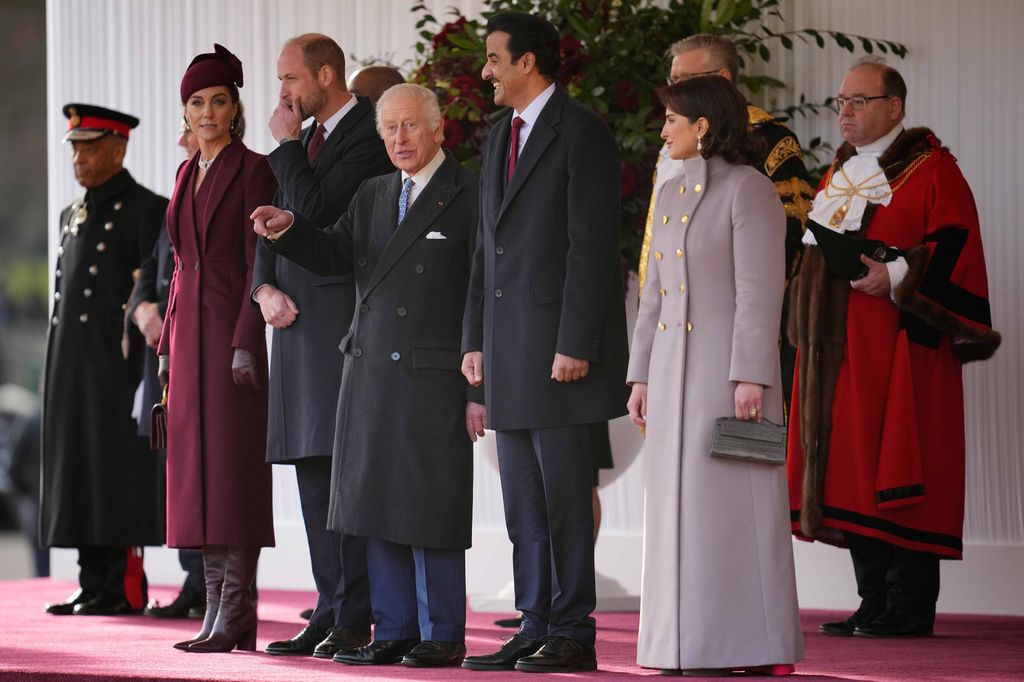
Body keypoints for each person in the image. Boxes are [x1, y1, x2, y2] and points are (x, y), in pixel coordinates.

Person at [253, 82, 482, 669]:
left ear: (438, 129)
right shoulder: (375, 193)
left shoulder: (470, 193)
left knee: (428, 507)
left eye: (410, 126)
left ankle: (441, 633)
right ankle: (395, 628)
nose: (399, 139)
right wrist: (286, 229)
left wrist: (479, 387)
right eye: (389, 129)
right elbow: (332, 254)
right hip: (370, 368)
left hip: (435, 375)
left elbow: (483, 295)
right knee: (376, 504)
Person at [787, 57, 1000, 639]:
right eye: (840, 102)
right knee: (852, 469)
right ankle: (872, 600)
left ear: (894, 107)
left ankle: (908, 605)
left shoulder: (933, 170)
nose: (845, 112)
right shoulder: (839, 172)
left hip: (902, 349)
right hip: (844, 349)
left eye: (858, 100)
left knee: (899, 463)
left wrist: (900, 273)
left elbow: (958, 247)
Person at [460, 12, 629, 673]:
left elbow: (592, 248)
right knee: (521, 503)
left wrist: (575, 342)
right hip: (505, 352)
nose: (485, 72)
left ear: (527, 62)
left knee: (563, 501)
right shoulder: (501, 133)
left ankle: (572, 629)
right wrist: (474, 339)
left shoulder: (582, 132)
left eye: (494, 60)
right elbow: (484, 249)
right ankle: (533, 623)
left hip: (562, 354)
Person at [626, 76, 803, 676]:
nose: (663, 129)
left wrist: (753, 375)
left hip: (729, 381)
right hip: (673, 380)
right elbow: (654, 294)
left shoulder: (749, 189)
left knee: (731, 512)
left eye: (671, 118)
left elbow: (760, 292)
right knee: (677, 514)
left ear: (701, 125)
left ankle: (754, 647)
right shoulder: (672, 190)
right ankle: (678, 647)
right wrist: (640, 374)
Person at [255, 33, 391, 659]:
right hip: (295, 326)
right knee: (312, 471)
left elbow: (314, 215)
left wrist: (285, 148)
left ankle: (354, 614)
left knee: (344, 472)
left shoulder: (366, 134)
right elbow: (270, 217)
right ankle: (330, 607)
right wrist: (260, 286)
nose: (282, 92)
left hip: (340, 324)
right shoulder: (305, 142)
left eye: (290, 79)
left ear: (326, 74)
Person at [157, 43, 278, 653]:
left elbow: (260, 260)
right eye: (197, 102)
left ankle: (237, 612)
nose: (207, 112)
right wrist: (166, 348)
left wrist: (245, 342)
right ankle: (215, 611)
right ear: (185, 111)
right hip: (187, 339)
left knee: (233, 473)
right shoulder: (184, 172)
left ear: (235, 107)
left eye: (219, 101)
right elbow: (180, 265)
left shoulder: (253, 167)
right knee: (195, 477)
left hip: (231, 333)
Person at [639, 33, 814, 414]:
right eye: (673, 79)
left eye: (685, 79)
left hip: (735, 331)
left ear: (722, 78)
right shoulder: (677, 142)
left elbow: (790, 237)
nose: (675, 89)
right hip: (674, 326)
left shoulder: (768, 138)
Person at [41, 104, 166, 617]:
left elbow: (150, 285)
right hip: (70, 364)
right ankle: (91, 580)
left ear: (119, 149)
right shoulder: (71, 214)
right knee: (76, 468)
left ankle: (120, 583)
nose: (79, 157)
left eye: (90, 147)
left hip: (116, 366)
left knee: (114, 470)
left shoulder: (146, 208)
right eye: (75, 147)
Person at [129, 119, 204, 620]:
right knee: (174, 474)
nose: (181, 139)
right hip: (165, 356)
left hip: (198, 347)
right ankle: (192, 580)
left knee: (202, 469)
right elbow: (148, 275)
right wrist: (143, 309)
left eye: (187, 128)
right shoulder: (180, 187)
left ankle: (206, 585)